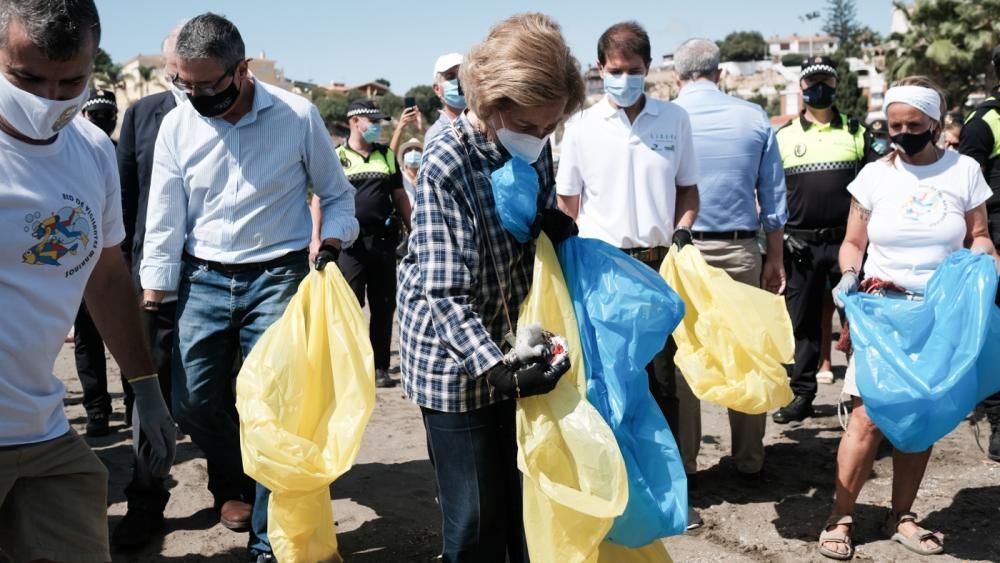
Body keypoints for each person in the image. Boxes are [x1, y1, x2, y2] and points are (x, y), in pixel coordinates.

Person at [139, 13, 358, 561]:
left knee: (276, 411)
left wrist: (328, 246)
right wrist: (154, 293)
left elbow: (336, 195)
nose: (193, 96)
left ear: (242, 69)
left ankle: (268, 542)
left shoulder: (297, 115)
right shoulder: (177, 125)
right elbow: (165, 218)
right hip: (202, 278)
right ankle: (235, 469)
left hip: (278, 277)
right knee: (191, 403)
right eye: (182, 84)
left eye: (207, 84)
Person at [397, 13, 582, 561]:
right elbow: (443, 292)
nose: (540, 139)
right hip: (456, 364)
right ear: (494, 107)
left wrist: (550, 224)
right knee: (476, 518)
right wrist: (494, 367)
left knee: (529, 501)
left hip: (519, 343)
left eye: (550, 128)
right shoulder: (444, 159)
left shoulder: (532, 142)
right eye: (531, 126)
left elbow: (534, 221)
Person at [0, 1, 175, 560]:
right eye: (27, 78)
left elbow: (105, 272)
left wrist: (145, 387)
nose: (49, 98)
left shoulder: (92, 151)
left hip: (45, 433)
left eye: (70, 81)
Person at [818, 77, 992, 560]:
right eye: (895, 126)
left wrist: (985, 262)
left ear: (934, 122)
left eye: (913, 125)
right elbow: (854, 242)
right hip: (883, 311)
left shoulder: (965, 171)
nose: (902, 134)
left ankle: (903, 515)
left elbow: (979, 234)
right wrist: (849, 275)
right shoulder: (875, 175)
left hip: (940, 314)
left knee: (921, 415)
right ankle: (840, 515)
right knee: (867, 418)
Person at [556, 20, 699, 503]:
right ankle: (617, 483)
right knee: (609, 376)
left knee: (663, 379)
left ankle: (669, 487)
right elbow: (567, 206)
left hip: (659, 267)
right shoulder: (579, 127)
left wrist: (683, 230)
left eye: (634, 70)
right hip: (602, 269)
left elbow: (688, 188)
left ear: (649, 68)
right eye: (616, 70)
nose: (625, 78)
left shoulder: (674, 121)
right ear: (601, 68)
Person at [671, 38, 786, 483]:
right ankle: (749, 458)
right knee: (746, 351)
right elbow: (773, 199)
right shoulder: (754, 117)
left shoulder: (667, 120)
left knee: (687, 356)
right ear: (720, 73)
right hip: (741, 249)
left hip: (684, 251)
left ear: (678, 76)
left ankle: (684, 463)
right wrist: (775, 257)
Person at [111, 24, 187, 549]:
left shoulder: (241, 113)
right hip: (149, 278)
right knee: (147, 386)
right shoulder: (143, 114)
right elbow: (123, 198)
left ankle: (232, 486)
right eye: (176, 64)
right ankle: (147, 493)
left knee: (218, 387)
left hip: (216, 274)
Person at [773, 56, 874, 425]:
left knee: (860, 321)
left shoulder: (857, 132)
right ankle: (802, 394)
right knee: (801, 322)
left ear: (836, 85)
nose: (820, 89)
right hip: (800, 245)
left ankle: (869, 394)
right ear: (801, 88)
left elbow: (876, 185)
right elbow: (771, 194)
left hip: (848, 242)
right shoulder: (783, 136)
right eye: (812, 82)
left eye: (826, 82)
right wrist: (782, 234)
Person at [314, 98, 411, 389]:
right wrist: (315, 239)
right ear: (355, 121)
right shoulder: (336, 155)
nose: (378, 127)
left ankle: (380, 367)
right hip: (348, 244)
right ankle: (349, 366)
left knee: (384, 307)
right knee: (349, 306)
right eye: (373, 122)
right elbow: (319, 199)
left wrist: (414, 226)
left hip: (382, 242)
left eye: (381, 122)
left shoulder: (386, 156)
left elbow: (400, 196)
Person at [959, 45, 1000, 462]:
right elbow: (968, 196)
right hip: (996, 246)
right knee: (995, 336)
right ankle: (998, 422)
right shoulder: (982, 123)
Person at [74, 88, 120, 438]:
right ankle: (98, 410)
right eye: (98, 114)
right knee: (88, 342)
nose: (104, 120)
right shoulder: (73, 153)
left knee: (125, 338)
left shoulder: (121, 154)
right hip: (80, 261)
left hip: (118, 260)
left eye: (109, 114)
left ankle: (136, 406)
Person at [424, 52, 465, 145]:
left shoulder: (487, 122)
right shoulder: (434, 135)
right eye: (450, 76)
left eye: (462, 75)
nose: (459, 81)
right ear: (437, 89)